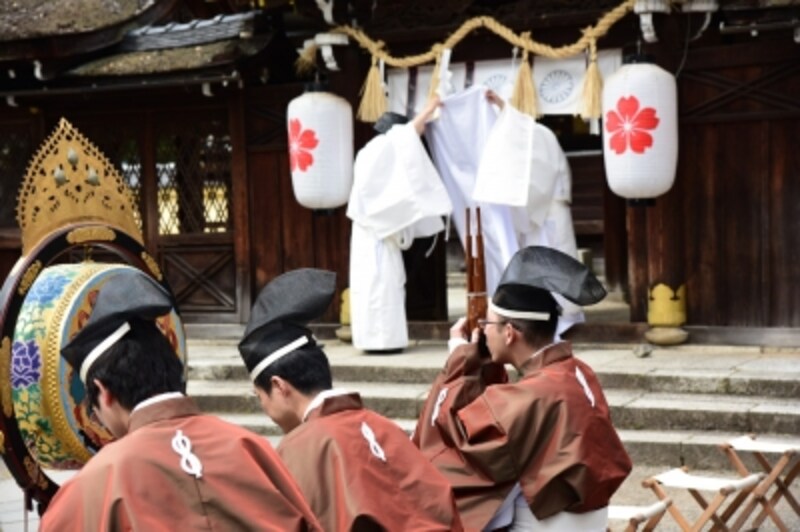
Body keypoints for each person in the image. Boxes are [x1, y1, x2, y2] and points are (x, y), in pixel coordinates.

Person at [41, 269, 321, 531]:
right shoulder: (252, 448)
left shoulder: (93, 486)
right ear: (173, 370)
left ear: (104, 392)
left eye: (94, 412)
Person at [412, 246, 632, 531]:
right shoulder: (577, 371)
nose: (483, 330)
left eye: (487, 323)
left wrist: (459, 355)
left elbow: (452, 439)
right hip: (588, 519)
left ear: (509, 332)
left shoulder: (534, 393)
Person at [238, 268, 464, 531]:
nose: (264, 409)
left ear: (279, 386)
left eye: (259, 397)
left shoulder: (298, 448)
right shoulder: (384, 426)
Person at [346, 96, 452, 353]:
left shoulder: (373, 150)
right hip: (374, 233)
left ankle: (380, 340)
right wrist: (428, 109)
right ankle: (380, 341)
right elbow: (404, 139)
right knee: (379, 286)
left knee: (383, 286)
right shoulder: (381, 147)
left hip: (375, 232)